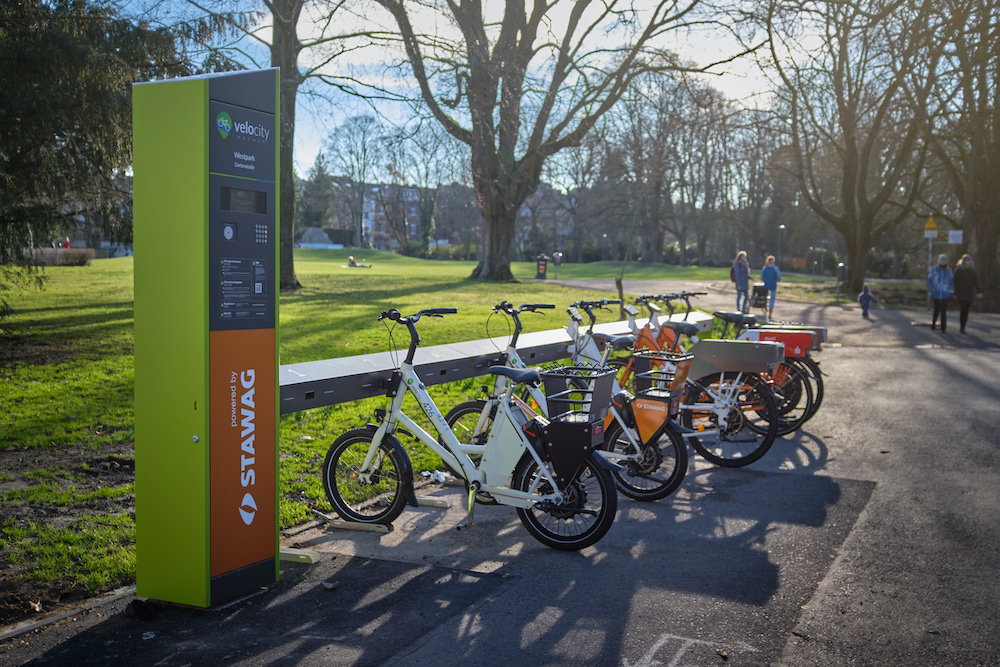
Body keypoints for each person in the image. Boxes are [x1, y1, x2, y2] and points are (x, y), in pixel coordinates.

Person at [953, 254, 983, 334]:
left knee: (966, 310)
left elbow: (976, 282)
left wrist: (979, 291)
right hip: (961, 292)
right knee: (963, 309)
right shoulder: (958, 270)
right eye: (967, 261)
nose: (969, 262)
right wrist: (955, 293)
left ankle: (963, 326)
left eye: (970, 261)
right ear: (964, 261)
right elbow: (955, 282)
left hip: (969, 293)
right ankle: (962, 327)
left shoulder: (973, 271)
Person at [927, 254, 955, 332]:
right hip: (936, 293)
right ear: (939, 261)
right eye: (941, 260)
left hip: (945, 293)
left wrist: (951, 291)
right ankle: (933, 324)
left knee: (944, 311)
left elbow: (951, 281)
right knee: (936, 310)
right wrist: (931, 290)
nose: (943, 261)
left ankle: (943, 327)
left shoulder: (949, 271)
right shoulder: (934, 270)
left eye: (944, 260)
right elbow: (929, 281)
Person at [760, 254, 782, 320]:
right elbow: (779, 278)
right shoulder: (775, 268)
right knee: (772, 299)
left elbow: (762, 277)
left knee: (765, 296)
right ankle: (770, 314)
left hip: (766, 284)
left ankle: (765, 307)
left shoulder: (764, 268)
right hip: (773, 285)